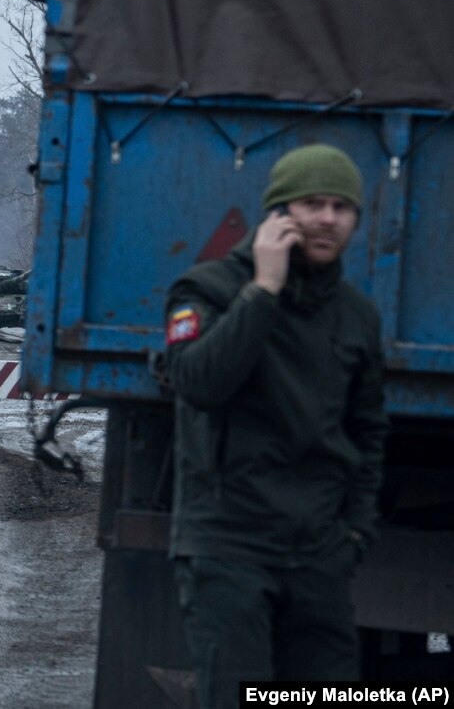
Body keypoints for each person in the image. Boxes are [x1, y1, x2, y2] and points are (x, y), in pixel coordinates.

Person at [163, 144, 389, 708]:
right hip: (228, 544)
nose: (328, 219)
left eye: (342, 207)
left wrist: (355, 533)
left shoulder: (357, 315)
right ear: (278, 213)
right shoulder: (205, 290)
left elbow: (368, 430)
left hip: (319, 552)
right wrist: (262, 291)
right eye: (313, 203)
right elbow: (198, 382)